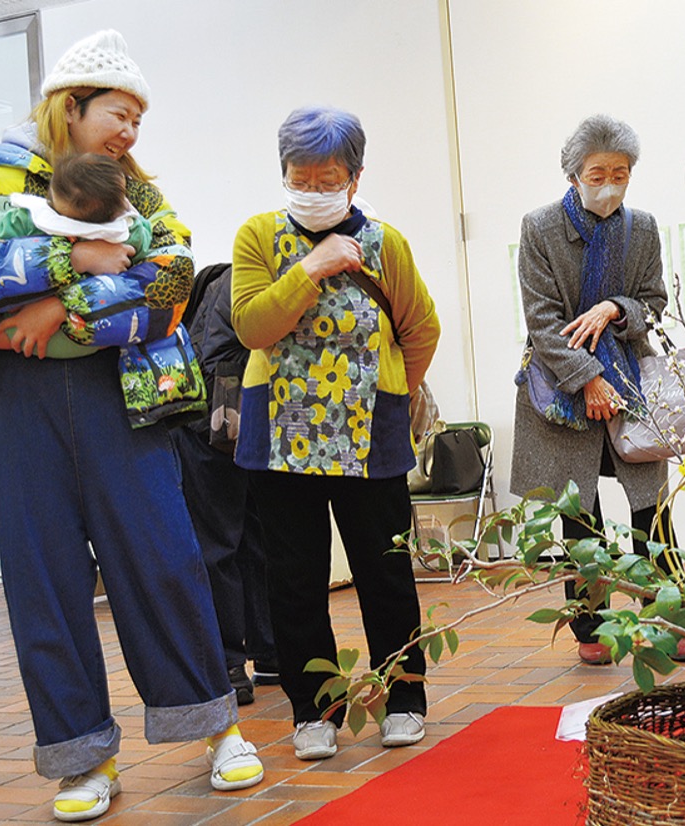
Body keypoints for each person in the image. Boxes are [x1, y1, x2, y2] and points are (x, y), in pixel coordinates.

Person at [0, 29, 264, 823]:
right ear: (69, 106)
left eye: (139, 119)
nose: (131, 133)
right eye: (121, 113)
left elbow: (172, 282)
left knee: (164, 558)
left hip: (125, 401)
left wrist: (54, 309)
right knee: (43, 581)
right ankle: (83, 758)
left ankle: (216, 729)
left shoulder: (139, 191)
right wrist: (75, 262)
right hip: (18, 408)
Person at [232, 106, 440, 761]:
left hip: (369, 436)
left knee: (385, 573)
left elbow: (420, 327)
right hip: (279, 439)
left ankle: (403, 700)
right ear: (283, 173)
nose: (314, 191)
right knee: (293, 580)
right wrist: (311, 267)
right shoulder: (258, 238)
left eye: (329, 180)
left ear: (355, 178)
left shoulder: (387, 243)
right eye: (302, 177)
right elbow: (252, 328)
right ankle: (313, 712)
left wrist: (396, 392)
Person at [512, 114, 685, 665]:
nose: (610, 184)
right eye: (599, 172)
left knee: (651, 507)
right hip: (561, 388)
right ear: (574, 175)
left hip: (633, 385)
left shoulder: (641, 228)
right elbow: (542, 320)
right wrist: (588, 377)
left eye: (621, 172)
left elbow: (654, 300)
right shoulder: (539, 227)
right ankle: (590, 627)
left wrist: (618, 307)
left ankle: (676, 617)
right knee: (580, 512)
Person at [175, 262, 279, 706]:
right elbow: (219, 362)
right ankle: (229, 664)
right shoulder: (246, 280)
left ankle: (271, 651)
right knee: (220, 546)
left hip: (250, 431)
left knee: (261, 540)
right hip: (210, 427)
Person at [0, 152, 151, 356]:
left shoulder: (31, 218)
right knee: (82, 339)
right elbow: (145, 239)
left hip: (28, 301)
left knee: (11, 328)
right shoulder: (127, 233)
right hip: (83, 320)